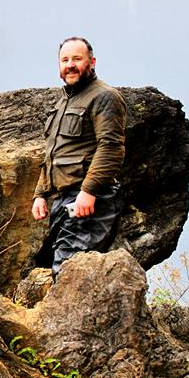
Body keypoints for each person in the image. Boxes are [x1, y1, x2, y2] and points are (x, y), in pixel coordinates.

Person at [31, 37, 127, 276]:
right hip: (64, 200)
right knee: (58, 265)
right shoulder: (64, 101)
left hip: (89, 200)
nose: (70, 65)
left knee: (68, 269)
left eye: (77, 59)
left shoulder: (104, 97)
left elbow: (111, 147)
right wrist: (40, 194)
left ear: (91, 62)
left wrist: (89, 192)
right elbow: (53, 153)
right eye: (65, 60)